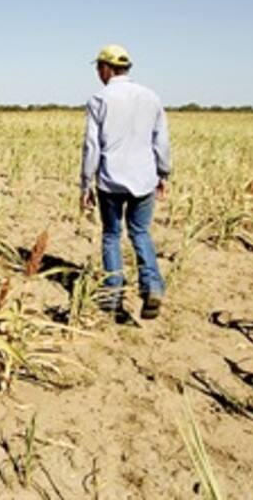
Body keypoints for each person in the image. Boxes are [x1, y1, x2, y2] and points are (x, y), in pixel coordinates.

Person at [80, 44, 170, 321]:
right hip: (144, 178)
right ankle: (152, 286)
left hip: (110, 180)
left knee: (111, 235)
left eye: (98, 67)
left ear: (107, 68)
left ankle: (114, 294)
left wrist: (85, 183)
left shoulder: (99, 99)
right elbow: (161, 140)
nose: (98, 72)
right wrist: (163, 173)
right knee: (140, 232)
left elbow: (91, 146)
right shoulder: (151, 97)